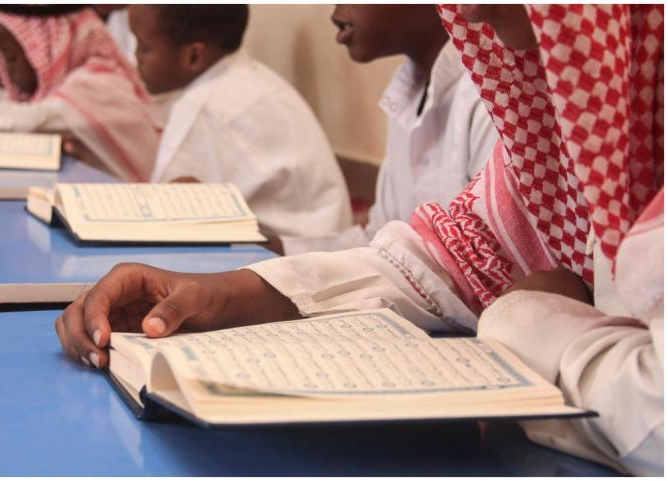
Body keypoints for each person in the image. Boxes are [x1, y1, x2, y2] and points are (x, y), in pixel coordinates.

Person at [55, 4, 663, 475]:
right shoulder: (557, 113)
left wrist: (519, 317)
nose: (472, 12)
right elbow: (442, 258)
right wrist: (220, 294)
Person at [278, 4, 498, 255]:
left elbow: (483, 272)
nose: (336, 14)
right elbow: (381, 241)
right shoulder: (406, 94)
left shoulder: (494, 99)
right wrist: (278, 251)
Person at [128, 5, 352, 237]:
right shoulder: (254, 77)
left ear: (194, 56)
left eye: (143, 47)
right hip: (326, 244)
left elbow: (164, 213)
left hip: (288, 256)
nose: (134, 58)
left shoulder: (202, 107)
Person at [0, 5, 161, 182]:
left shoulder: (98, 84)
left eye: (13, 56)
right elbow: (6, 100)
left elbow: (31, 117)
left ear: (49, 47)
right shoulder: (74, 78)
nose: (8, 67)